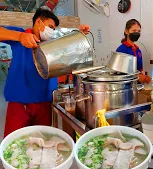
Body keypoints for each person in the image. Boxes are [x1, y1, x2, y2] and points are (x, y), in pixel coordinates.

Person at [0, 8, 90, 137]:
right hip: (20, 104)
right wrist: (20, 37)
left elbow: (68, 44)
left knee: (44, 142)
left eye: (54, 29)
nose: (52, 32)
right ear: (38, 22)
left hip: (45, 103)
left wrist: (78, 34)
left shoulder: (51, 43)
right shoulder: (22, 35)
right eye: (50, 27)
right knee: (15, 142)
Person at [116, 19, 151, 84]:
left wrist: (144, 77)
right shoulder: (121, 50)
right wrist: (137, 76)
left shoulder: (138, 50)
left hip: (137, 85)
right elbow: (118, 73)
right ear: (126, 31)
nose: (136, 33)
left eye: (138, 31)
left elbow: (139, 69)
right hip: (126, 86)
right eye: (134, 30)